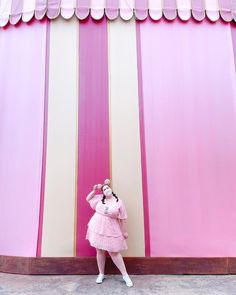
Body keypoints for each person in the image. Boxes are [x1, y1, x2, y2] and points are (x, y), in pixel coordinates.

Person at [85, 179, 133, 287]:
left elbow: (122, 218)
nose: (106, 189)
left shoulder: (118, 201)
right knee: (99, 251)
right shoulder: (100, 199)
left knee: (114, 252)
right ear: (102, 192)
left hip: (111, 229)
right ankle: (101, 273)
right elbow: (88, 198)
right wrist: (94, 189)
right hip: (97, 227)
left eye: (107, 188)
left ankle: (125, 276)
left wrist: (124, 232)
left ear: (111, 189)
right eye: (104, 189)